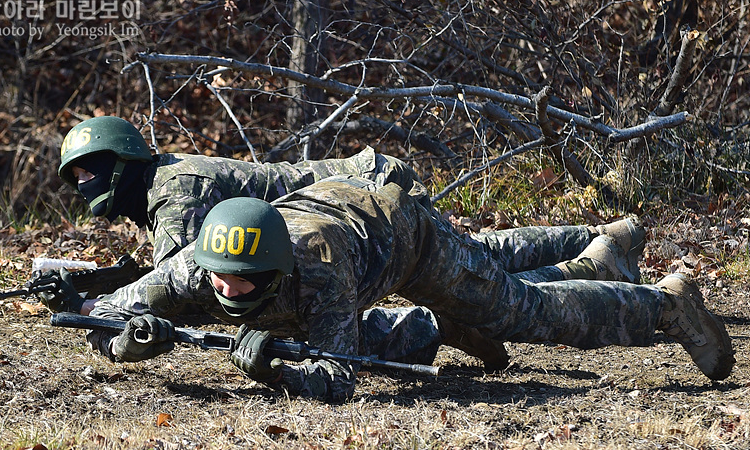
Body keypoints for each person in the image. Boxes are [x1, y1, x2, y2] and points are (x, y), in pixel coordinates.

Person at [43, 115, 645, 371]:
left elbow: (186, 282)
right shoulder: (168, 187)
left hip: (366, 208)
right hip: (342, 216)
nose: (84, 185)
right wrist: (95, 300)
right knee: (481, 263)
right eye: (75, 176)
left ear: (123, 161)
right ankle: (594, 249)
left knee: (484, 273)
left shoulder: (175, 192)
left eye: (91, 169)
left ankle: (598, 246)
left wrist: (116, 313)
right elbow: (176, 283)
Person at [83, 176, 735, 402]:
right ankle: (602, 251)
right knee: (498, 285)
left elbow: (338, 377)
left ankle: (667, 303)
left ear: (277, 269)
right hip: (346, 215)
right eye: (217, 278)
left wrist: (279, 373)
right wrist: (129, 345)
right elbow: (99, 314)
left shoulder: (317, 267)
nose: (224, 289)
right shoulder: (197, 263)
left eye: (242, 281)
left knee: (523, 311)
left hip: (404, 238)